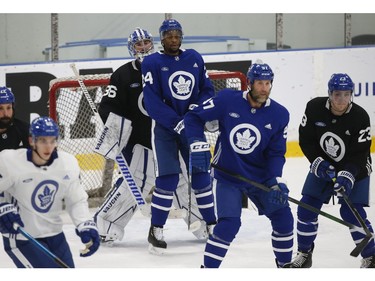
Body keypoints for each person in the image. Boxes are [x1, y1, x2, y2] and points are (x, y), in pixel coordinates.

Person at [94, 27, 209, 244]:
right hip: (141, 143)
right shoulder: (122, 75)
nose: (144, 47)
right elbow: (108, 107)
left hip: (170, 138)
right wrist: (117, 134)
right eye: (139, 44)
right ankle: (105, 225)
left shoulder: (161, 65)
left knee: (183, 181)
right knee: (134, 183)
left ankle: (203, 224)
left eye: (147, 42)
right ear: (131, 48)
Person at [184, 61, 294, 268]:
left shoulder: (280, 114)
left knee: (284, 218)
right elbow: (193, 117)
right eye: (260, 83)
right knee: (228, 225)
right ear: (249, 83)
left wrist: (276, 181)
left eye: (268, 83)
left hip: (261, 177)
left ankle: (285, 268)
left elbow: (276, 153)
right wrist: (197, 144)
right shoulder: (228, 100)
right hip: (228, 176)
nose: (264, 88)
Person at [283, 73, 375, 268]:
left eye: (346, 94)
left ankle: (371, 256)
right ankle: (305, 254)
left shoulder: (360, 116)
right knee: (307, 208)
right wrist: (316, 161)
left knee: (351, 212)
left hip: (355, 167)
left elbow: (360, 153)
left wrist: (348, 174)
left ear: (351, 94)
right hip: (323, 165)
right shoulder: (314, 107)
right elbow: (306, 139)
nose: (341, 100)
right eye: (337, 94)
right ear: (329, 94)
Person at [141, 18, 217, 254]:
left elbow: (206, 89)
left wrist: (198, 110)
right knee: (168, 178)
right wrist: (177, 122)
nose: (173, 40)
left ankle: (212, 224)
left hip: (192, 126)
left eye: (177, 35)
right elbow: (152, 102)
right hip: (165, 129)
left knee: (202, 174)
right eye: (169, 36)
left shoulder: (194, 57)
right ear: (161, 39)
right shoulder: (151, 62)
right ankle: (156, 229)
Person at [0, 116, 100, 268]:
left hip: (55, 235)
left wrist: (85, 223)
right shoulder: (10, 161)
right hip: (22, 237)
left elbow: (76, 199)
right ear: (32, 140)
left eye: (52, 140)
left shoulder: (67, 163)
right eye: (42, 141)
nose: (48, 146)